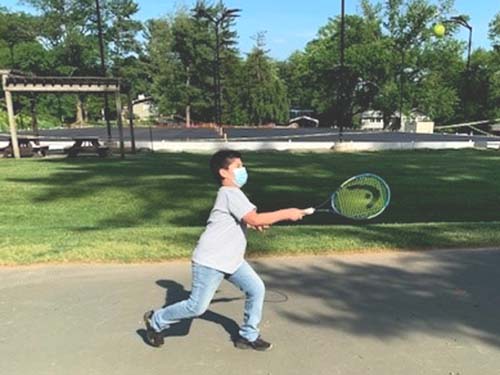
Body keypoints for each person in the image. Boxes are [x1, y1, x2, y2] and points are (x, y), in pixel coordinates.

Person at [144, 149, 307, 351]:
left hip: (232, 260)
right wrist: (287, 213)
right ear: (223, 172)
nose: (243, 170)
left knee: (256, 289)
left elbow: (247, 218)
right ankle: (156, 320)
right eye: (238, 167)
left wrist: (252, 223)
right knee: (197, 307)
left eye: (242, 166)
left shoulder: (234, 194)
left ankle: (248, 335)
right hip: (210, 260)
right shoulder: (230, 193)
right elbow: (253, 217)